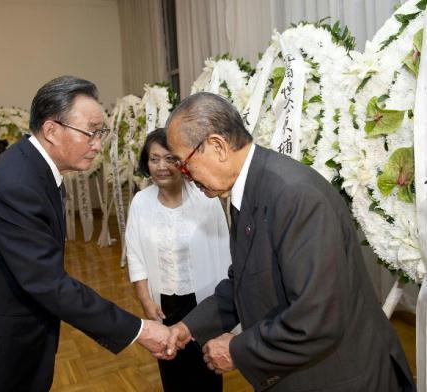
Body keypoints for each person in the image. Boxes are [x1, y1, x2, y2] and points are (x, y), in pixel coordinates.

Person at [164, 92, 415, 391]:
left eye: (183, 165)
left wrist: (236, 351)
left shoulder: (295, 196)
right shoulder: (247, 189)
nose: (186, 176)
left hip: (343, 377)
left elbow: (316, 320)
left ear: (217, 146)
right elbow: (244, 280)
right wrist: (188, 326)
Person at [0, 76, 171, 391]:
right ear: (51, 130)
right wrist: (138, 329)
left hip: (17, 336)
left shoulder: (32, 169)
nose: (98, 144)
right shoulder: (16, 186)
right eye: (91, 132)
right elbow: (48, 282)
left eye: (100, 133)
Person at [126, 128, 231, 391]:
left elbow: (225, 252)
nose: (161, 167)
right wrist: (145, 300)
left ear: (182, 162)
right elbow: (135, 254)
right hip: (164, 304)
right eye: (154, 159)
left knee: (207, 369)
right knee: (172, 370)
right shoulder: (141, 202)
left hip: (204, 301)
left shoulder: (205, 199)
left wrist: (226, 313)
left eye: (170, 158)